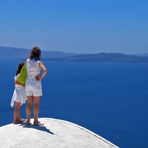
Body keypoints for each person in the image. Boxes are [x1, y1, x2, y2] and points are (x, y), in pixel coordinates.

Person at [25, 47, 47, 125]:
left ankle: (27, 120)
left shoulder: (27, 61)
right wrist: (40, 77)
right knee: (36, 103)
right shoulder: (38, 62)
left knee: (29, 103)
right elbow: (45, 70)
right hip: (36, 84)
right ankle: (35, 121)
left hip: (28, 83)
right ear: (39, 54)